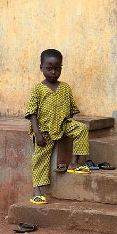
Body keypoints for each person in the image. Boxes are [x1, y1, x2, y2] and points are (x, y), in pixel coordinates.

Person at [25, 49, 90, 204]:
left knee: (81, 129)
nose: (53, 72)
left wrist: (65, 127)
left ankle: (74, 163)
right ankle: (37, 191)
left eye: (57, 68)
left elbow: (72, 110)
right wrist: (37, 134)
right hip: (44, 130)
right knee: (39, 159)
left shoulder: (65, 88)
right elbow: (31, 113)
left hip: (63, 124)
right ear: (41, 68)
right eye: (49, 68)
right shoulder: (38, 89)